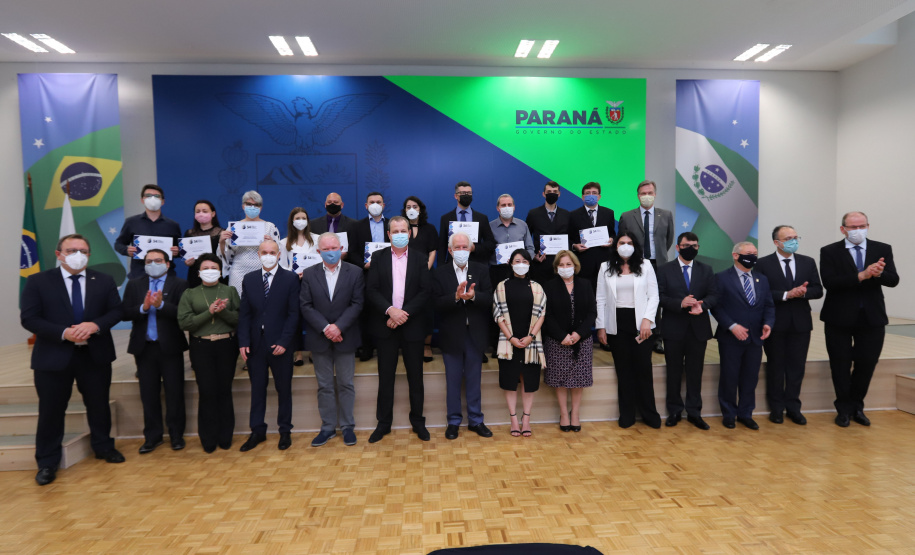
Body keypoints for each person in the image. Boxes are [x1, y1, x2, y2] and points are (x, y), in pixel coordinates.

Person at [21, 234, 125, 486]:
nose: (78, 254)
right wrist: (63, 332)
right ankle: (47, 461)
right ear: (59, 254)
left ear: (89, 255)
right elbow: (30, 319)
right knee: (51, 410)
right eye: (71, 250)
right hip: (53, 357)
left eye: (83, 250)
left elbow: (116, 311)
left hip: (94, 354)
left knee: (99, 404)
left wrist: (95, 325)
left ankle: (103, 447)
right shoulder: (38, 282)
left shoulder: (103, 280)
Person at [820, 211, 899, 427]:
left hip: (872, 318)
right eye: (853, 227)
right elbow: (829, 282)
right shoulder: (830, 251)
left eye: (861, 226)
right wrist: (861, 276)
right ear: (843, 229)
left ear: (868, 226)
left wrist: (879, 273)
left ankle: (857, 406)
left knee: (867, 363)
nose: (857, 230)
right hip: (838, 318)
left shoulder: (882, 249)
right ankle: (843, 409)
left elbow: (894, 280)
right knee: (840, 365)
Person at [365, 216, 432, 443]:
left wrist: (403, 314)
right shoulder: (378, 257)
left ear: (410, 233)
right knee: (386, 379)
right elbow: (371, 289)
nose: (400, 233)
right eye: (396, 230)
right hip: (386, 326)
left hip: (412, 326)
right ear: (389, 234)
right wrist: (390, 310)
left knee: (416, 378)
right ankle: (383, 424)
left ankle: (418, 423)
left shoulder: (420, 258)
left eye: (404, 230)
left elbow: (425, 291)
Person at [300, 233, 365, 447]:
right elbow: (305, 305)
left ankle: (347, 427)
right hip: (320, 337)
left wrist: (338, 327)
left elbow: (357, 303)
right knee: (325, 385)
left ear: (341, 248)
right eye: (326, 249)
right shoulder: (308, 274)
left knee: (346, 384)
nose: (330, 252)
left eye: (334, 247)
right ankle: (327, 428)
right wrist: (326, 328)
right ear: (318, 251)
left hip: (345, 336)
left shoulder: (354, 272)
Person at [122, 249, 189, 453]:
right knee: (148, 394)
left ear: (167, 264)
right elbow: (124, 313)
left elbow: (183, 314)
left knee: (175, 393)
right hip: (144, 348)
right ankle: (152, 436)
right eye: (149, 261)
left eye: (158, 260)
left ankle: (176, 435)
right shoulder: (134, 285)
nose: (153, 263)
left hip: (170, 347)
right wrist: (143, 308)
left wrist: (161, 306)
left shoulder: (180, 284)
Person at [755, 225, 823, 425]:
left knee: (796, 366)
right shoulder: (763, 264)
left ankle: (793, 407)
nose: (793, 241)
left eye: (795, 237)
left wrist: (803, 293)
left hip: (801, 323)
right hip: (775, 322)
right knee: (776, 366)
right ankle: (776, 408)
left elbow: (818, 290)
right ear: (777, 242)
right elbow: (761, 292)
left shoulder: (807, 262)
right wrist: (786, 295)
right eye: (788, 238)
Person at [237, 240, 301, 451]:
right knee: (257, 389)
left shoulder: (290, 278)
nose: (268, 255)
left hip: (280, 344)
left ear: (279, 254)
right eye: (264, 252)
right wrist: (243, 341)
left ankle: (285, 431)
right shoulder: (249, 279)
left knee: (283, 389)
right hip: (255, 345)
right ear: (258, 254)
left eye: (272, 252)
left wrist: (284, 341)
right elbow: (245, 314)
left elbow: (294, 314)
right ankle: (257, 431)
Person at [595, 233, 662, 429]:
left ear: (635, 245)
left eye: (629, 243)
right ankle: (627, 414)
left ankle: (649, 413)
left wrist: (647, 321)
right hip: (616, 323)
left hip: (642, 323)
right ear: (615, 246)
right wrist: (601, 326)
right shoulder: (605, 268)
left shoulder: (646, 265)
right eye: (622, 243)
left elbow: (654, 296)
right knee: (623, 371)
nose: (625, 246)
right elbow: (600, 298)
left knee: (643, 369)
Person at [432, 232, 494, 440]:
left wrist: (474, 296)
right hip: (451, 335)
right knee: (453, 381)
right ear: (450, 250)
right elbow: (435, 304)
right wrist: (455, 297)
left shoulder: (481, 270)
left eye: (464, 247)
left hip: (475, 334)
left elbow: (490, 298)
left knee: (474, 380)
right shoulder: (440, 273)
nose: (460, 251)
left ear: (470, 249)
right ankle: (453, 422)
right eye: (456, 247)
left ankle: (476, 420)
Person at [177, 254, 240, 453]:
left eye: (214, 267)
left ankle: (225, 435)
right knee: (206, 391)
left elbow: (239, 319)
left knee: (224, 389)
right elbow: (185, 323)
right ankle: (208, 437)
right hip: (201, 347)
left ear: (221, 271)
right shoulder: (190, 293)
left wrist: (223, 312)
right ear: (199, 272)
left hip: (226, 345)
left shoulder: (230, 290)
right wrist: (210, 312)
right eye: (206, 267)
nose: (210, 270)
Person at [656, 232, 718, 430]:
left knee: (695, 372)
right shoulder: (665, 269)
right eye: (686, 245)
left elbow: (714, 294)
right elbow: (659, 296)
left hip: (698, 328)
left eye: (694, 245)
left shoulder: (706, 269)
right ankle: (674, 411)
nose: (691, 248)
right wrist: (679, 303)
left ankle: (694, 412)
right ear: (677, 247)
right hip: (673, 328)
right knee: (673, 372)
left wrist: (704, 305)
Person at [711, 242, 775, 430]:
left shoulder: (761, 279)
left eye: (755, 253)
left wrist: (768, 324)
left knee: (750, 377)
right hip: (731, 337)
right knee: (729, 377)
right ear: (735, 255)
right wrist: (732, 326)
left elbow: (769, 305)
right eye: (749, 253)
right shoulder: (721, 278)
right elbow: (716, 306)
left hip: (756, 337)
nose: (753, 257)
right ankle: (729, 414)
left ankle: (746, 413)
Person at [492, 249, 546, 438]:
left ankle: (526, 419)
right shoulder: (501, 286)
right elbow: (497, 314)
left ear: (530, 264)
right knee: (510, 382)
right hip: (509, 342)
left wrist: (531, 335)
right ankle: (514, 419)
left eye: (524, 260)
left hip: (531, 341)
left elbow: (542, 314)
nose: (521, 264)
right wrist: (511, 337)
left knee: (529, 382)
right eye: (517, 260)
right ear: (510, 263)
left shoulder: (537, 287)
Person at [618, 180, 674, 355]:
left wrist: (659, 255)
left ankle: (656, 338)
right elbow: (622, 240)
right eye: (643, 193)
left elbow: (669, 239)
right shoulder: (627, 216)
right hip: (635, 263)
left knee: (655, 301)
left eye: (650, 193)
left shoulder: (665, 215)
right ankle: (634, 332)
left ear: (655, 194)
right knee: (634, 297)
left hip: (658, 264)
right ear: (638, 195)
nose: (646, 196)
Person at [541, 250, 595, 432]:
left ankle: (575, 414)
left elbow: (591, 313)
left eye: (568, 264)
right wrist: (562, 335)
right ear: (556, 268)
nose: (565, 268)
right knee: (560, 379)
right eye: (561, 265)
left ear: (575, 266)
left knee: (579, 379)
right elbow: (546, 315)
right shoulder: (549, 286)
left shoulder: (585, 284)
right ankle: (564, 413)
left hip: (582, 340)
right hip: (558, 340)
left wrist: (578, 334)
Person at [350, 192, 389, 362]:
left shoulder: (392, 225)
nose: (375, 204)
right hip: (365, 274)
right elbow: (351, 253)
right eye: (372, 202)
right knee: (365, 313)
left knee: (385, 310)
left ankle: (384, 347)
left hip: (389, 275)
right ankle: (366, 347)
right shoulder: (357, 226)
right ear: (366, 206)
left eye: (378, 202)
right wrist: (364, 264)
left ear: (384, 205)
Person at [220, 190, 282, 295]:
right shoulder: (234, 227)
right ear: (243, 206)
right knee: (239, 303)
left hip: (263, 270)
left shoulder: (270, 227)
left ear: (261, 208)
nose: (252, 207)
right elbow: (226, 255)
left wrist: (271, 244)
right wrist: (222, 242)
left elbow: (278, 253)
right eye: (249, 204)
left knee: (262, 302)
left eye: (256, 205)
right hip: (239, 271)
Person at [279, 207, 319, 366]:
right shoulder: (283, 242)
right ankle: (298, 353)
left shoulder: (317, 239)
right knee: (295, 318)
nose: (300, 221)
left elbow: (322, 260)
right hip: (294, 284)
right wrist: (294, 273)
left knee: (314, 318)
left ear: (308, 221)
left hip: (314, 284)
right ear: (292, 221)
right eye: (297, 218)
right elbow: (282, 266)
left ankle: (314, 351)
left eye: (303, 217)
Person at [115, 184, 181, 279]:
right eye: (148, 196)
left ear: (163, 201)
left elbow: (180, 249)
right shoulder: (131, 222)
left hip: (166, 276)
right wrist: (126, 251)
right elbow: (118, 244)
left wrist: (177, 252)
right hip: (139, 275)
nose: (152, 199)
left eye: (157, 196)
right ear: (142, 200)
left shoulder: (173, 225)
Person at [402, 195, 439, 361]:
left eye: (415, 206)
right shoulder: (401, 229)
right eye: (408, 206)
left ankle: (427, 346)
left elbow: (433, 251)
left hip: (426, 275)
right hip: (404, 276)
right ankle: (408, 344)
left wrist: (425, 269)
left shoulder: (429, 228)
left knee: (427, 311)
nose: (411, 209)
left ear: (420, 209)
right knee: (407, 308)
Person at [568, 182, 615, 295]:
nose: (591, 195)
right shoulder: (573, 215)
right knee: (585, 296)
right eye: (588, 193)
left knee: (605, 295)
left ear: (599, 196)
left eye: (594, 193)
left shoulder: (609, 213)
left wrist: (612, 240)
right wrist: (574, 246)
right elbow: (569, 238)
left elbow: (613, 234)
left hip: (603, 261)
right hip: (583, 263)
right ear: (582, 197)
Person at [437, 181, 497, 266]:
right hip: (453, 265)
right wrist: (441, 268)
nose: (466, 195)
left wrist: (475, 248)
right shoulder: (446, 218)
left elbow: (490, 243)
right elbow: (442, 246)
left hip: (476, 264)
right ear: (456, 196)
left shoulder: (482, 218)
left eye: (469, 193)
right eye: (463, 193)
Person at [526, 181, 571, 285]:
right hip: (541, 264)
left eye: (555, 191)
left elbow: (570, 237)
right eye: (549, 191)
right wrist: (533, 255)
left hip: (561, 264)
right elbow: (526, 237)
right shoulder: (533, 214)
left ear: (559, 194)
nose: (552, 193)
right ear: (543, 194)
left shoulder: (566, 214)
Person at [183, 200, 224, 289]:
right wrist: (187, 262)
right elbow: (185, 256)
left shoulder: (222, 233)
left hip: (215, 273)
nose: (201, 214)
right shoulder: (189, 233)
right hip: (195, 274)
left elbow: (226, 256)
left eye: (205, 211)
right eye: (198, 211)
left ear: (213, 214)